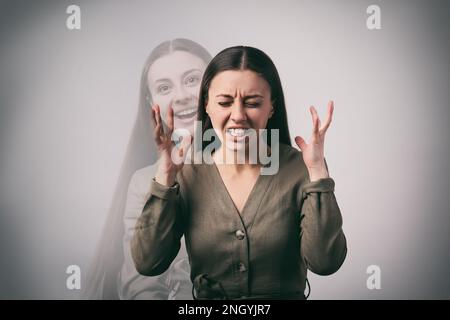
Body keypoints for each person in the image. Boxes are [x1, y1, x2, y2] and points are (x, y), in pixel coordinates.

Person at [131, 46, 347, 299]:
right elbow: (148, 263)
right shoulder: (187, 172)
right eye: (224, 102)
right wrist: (166, 177)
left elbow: (325, 263)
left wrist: (318, 174)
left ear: (272, 107)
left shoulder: (301, 169)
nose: (238, 116)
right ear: (207, 105)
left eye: (253, 103)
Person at [81, 39, 211, 299]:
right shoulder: (144, 183)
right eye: (164, 87)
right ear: (152, 102)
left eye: (192, 80)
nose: (182, 96)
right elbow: (143, 286)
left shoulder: (263, 166)